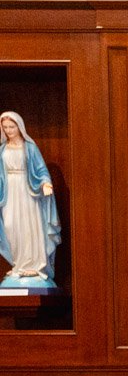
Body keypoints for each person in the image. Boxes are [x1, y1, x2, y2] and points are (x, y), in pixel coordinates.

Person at [0, 111, 62, 287]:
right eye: (5, 127)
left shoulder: (30, 148)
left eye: (12, 127)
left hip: (28, 192)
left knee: (28, 226)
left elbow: (41, 169)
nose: (9, 130)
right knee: (10, 226)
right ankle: (18, 264)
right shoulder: (2, 150)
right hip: (9, 193)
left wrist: (45, 183)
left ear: (19, 127)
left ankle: (34, 266)